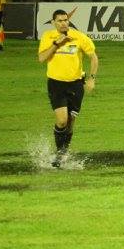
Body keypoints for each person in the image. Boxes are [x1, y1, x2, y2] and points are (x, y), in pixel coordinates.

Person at [37, 9, 99, 168]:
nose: (64, 23)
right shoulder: (48, 37)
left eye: (66, 20)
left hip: (76, 84)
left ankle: (64, 152)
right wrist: (57, 43)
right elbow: (42, 58)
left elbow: (93, 57)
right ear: (53, 23)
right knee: (62, 120)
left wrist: (91, 79)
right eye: (60, 20)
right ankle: (60, 153)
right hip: (56, 83)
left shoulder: (79, 37)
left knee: (71, 122)